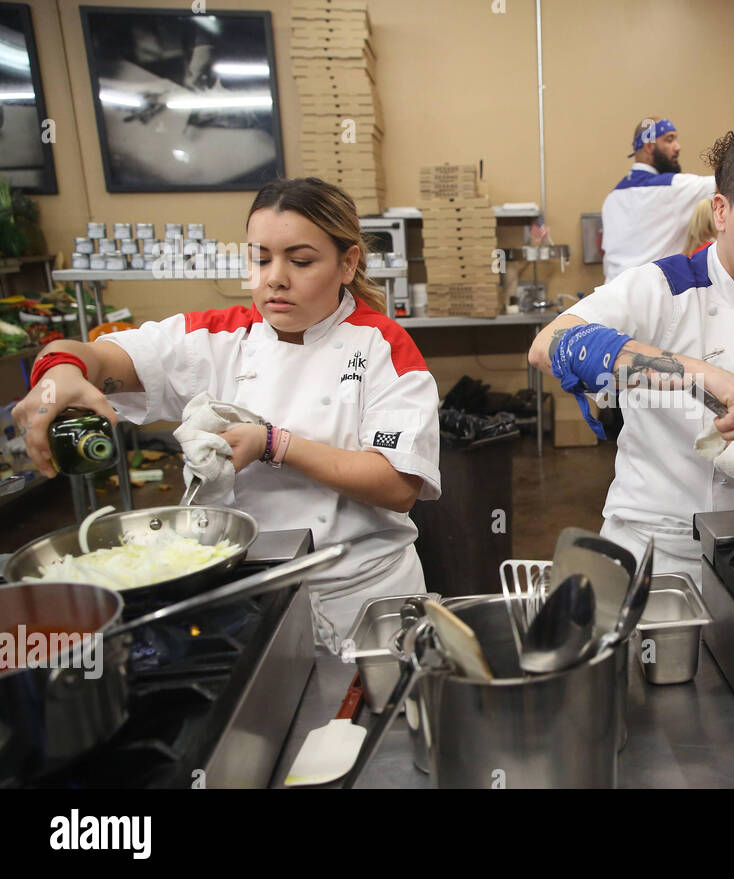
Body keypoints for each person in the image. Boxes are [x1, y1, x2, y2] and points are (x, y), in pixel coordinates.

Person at [13, 177, 441, 644]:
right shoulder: (217, 339)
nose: (275, 277)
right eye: (259, 258)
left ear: (348, 263)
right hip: (245, 594)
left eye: (300, 261)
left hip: (362, 597)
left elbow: (398, 485)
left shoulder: (382, 347)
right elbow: (91, 356)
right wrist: (60, 373)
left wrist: (273, 443)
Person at [531, 126, 734, 583]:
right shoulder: (663, 286)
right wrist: (701, 373)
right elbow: (550, 344)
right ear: (721, 210)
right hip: (655, 550)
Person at [600, 116, 718, 283]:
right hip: (648, 299)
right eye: (669, 140)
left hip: (610, 296)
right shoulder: (673, 188)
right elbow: (730, 184)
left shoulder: (611, 198)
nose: (678, 147)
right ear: (649, 147)